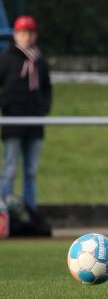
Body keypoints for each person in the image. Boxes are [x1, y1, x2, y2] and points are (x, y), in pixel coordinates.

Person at [0, 15, 52, 211]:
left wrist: (43, 108)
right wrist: (6, 103)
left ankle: (30, 210)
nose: (27, 37)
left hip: (34, 123)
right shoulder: (6, 59)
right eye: (23, 33)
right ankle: (5, 210)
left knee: (31, 170)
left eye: (30, 33)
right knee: (10, 168)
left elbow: (47, 88)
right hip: (12, 121)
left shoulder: (40, 61)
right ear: (16, 35)